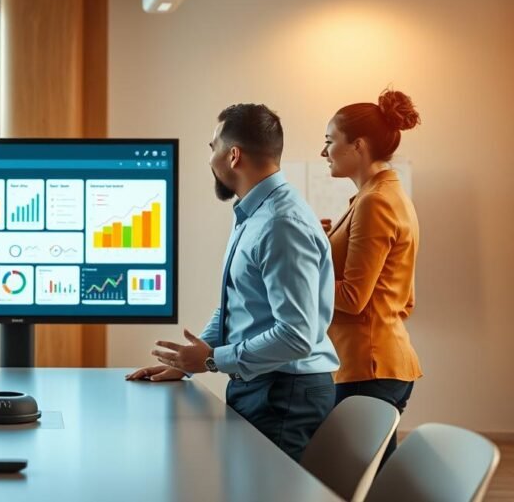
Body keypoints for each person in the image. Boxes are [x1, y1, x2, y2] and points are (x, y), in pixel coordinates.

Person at [127, 103, 339, 462]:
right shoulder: (254, 213)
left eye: (213, 148)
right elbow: (239, 303)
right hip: (266, 385)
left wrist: (211, 360)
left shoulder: (279, 223)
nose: (210, 158)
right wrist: (186, 360)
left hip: (283, 393)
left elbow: (296, 334)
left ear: (233, 155)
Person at [321, 88, 422, 462]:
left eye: (330, 141)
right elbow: (397, 295)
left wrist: (298, 280)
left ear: (358, 146)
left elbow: (353, 298)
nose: (323, 151)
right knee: (367, 481)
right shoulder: (382, 195)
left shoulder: (375, 202)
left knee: (355, 482)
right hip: (374, 364)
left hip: (367, 367)